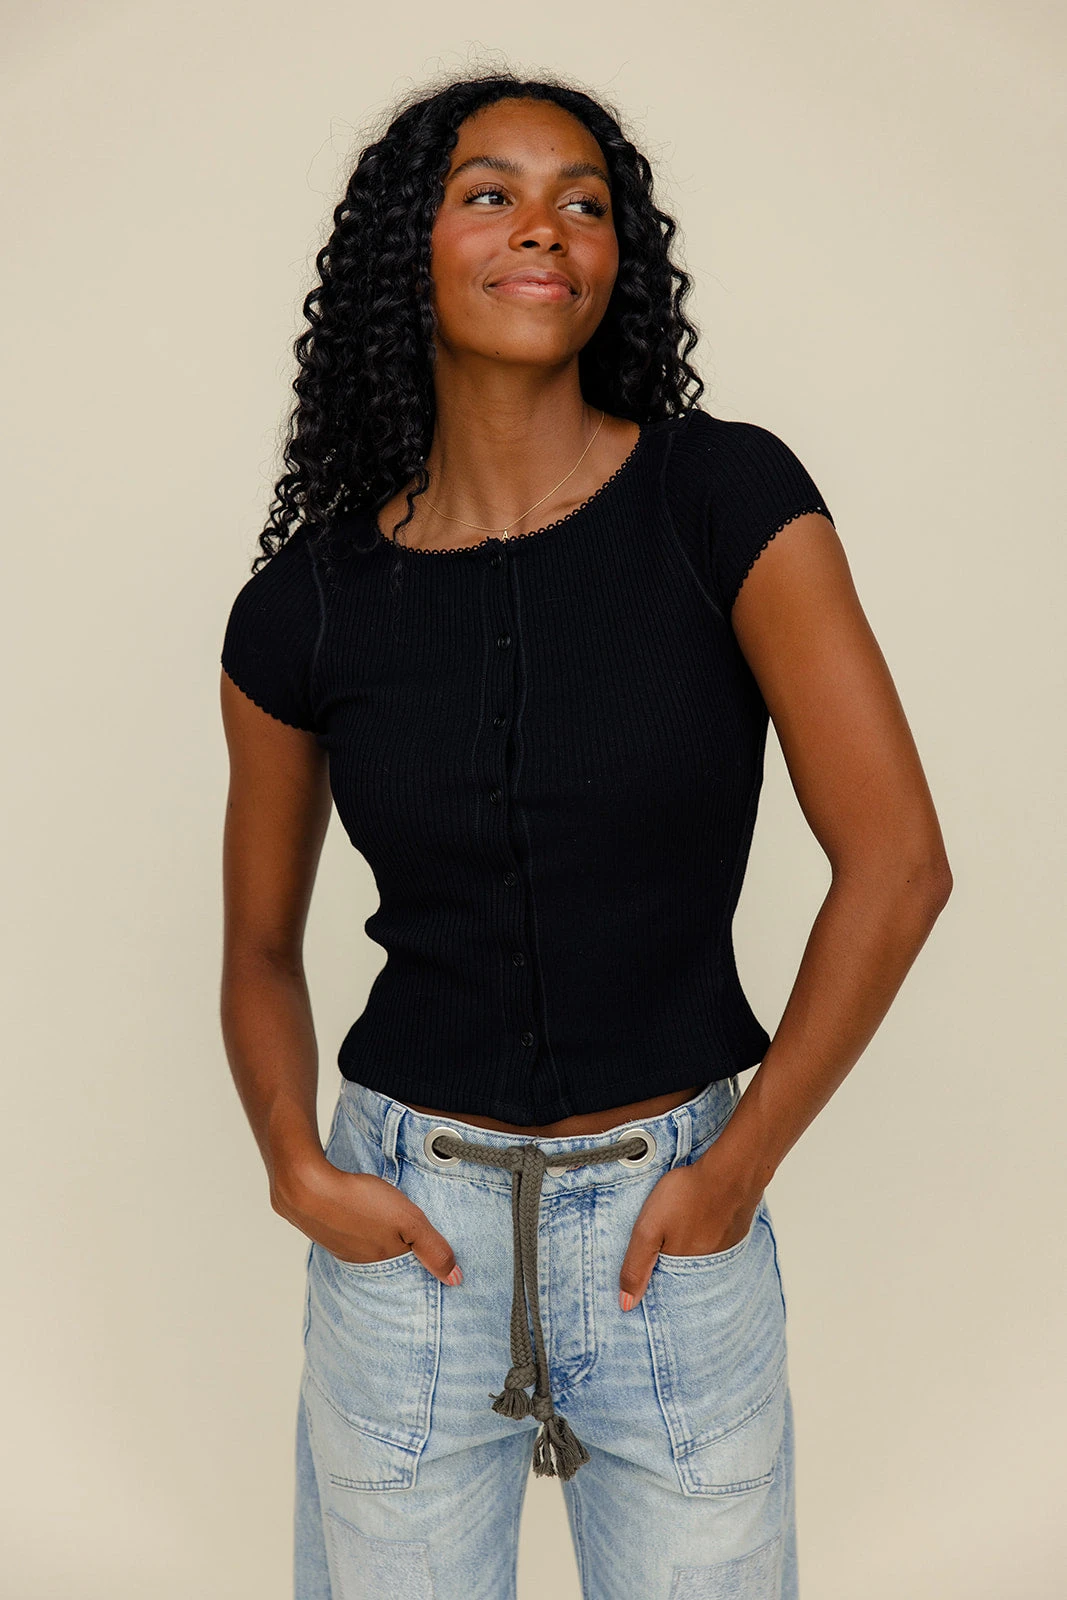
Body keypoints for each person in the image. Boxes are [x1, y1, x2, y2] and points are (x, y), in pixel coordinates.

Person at [218, 70, 952, 1600]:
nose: (542, 226)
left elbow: (897, 866)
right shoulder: (304, 608)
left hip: (668, 1233)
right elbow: (259, 948)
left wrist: (737, 1167)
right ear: (405, 251)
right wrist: (293, 1164)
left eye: (583, 202)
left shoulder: (722, 502)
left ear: (619, 257)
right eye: (488, 193)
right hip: (405, 1234)